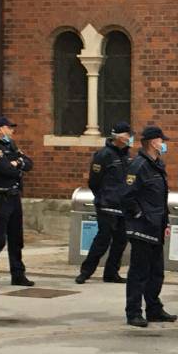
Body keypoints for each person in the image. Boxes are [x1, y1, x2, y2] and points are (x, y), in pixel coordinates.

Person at [121, 126, 177, 328]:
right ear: (153, 142)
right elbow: (127, 196)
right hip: (142, 227)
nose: (163, 144)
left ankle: (154, 308)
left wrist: (164, 221)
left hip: (156, 225)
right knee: (139, 272)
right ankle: (133, 311)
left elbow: (160, 197)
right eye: (161, 141)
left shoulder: (157, 165)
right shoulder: (138, 166)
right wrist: (140, 215)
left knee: (156, 272)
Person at [0, 116, 34, 291]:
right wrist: (17, 165)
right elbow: (6, 169)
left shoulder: (12, 147)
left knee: (16, 238)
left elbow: (29, 164)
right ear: (0, 130)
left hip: (14, 196)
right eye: (9, 128)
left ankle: (18, 274)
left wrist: (17, 162)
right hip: (0, 198)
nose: (12, 131)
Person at [75, 122, 132, 284]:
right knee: (103, 239)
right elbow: (94, 181)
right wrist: (103, 197)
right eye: (127, 135)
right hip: (107, 205)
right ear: (117, 136)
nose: (129, 138)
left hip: (122, 206)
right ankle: (86, 271)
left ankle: (111, 272)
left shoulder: (126, 155)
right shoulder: (104, 155)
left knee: (120, 241)